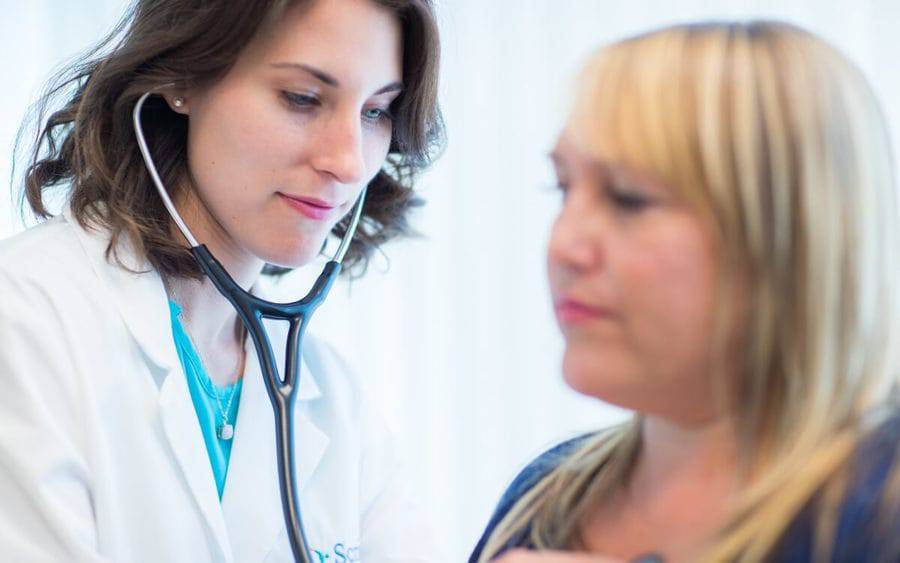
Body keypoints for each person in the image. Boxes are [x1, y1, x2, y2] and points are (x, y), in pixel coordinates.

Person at [0, 0, 444, 561]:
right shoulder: (25, 321)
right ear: (184, 76)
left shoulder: (331, 398)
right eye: (302, 98)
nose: (349, 162)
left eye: (376, 111)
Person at [472, 21, 900, 563]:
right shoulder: (545, 496)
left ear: (789, 236)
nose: (564, 246)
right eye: (563, 188)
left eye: (628, 199)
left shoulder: (880, 507)